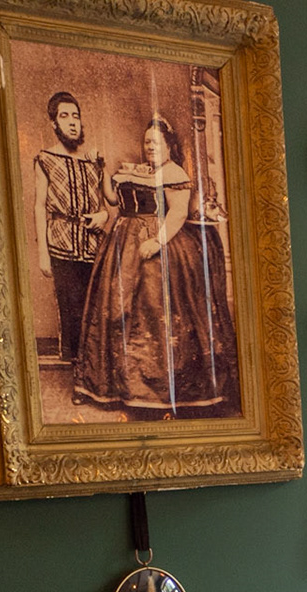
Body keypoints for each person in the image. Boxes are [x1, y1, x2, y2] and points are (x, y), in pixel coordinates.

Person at [72, 115, 239, 418]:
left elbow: (177, 214)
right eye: (147, 142)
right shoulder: (141, 171)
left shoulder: (174, 173)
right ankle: (120, 387)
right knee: (117, 309)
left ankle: (159, 390)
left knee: (155, 309)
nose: (150, 147)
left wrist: (156, 242)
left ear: (169, 146)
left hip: (161, 245)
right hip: (123, 245)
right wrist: (102, 169)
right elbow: (113, 200)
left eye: (156, 142)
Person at [32, 92, 108, 365]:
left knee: (96, 312)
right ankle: (75, 375)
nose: (72, 122)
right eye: (64, 116)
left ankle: (95, 375)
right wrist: (43, 254)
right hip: (61, 246)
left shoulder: (92, 159)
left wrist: (103, 216)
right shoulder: (45, 159)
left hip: (93, 246)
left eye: (76, 116)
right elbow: (39, 206)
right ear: (54, 123)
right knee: (71, 314)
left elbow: (106, 203)